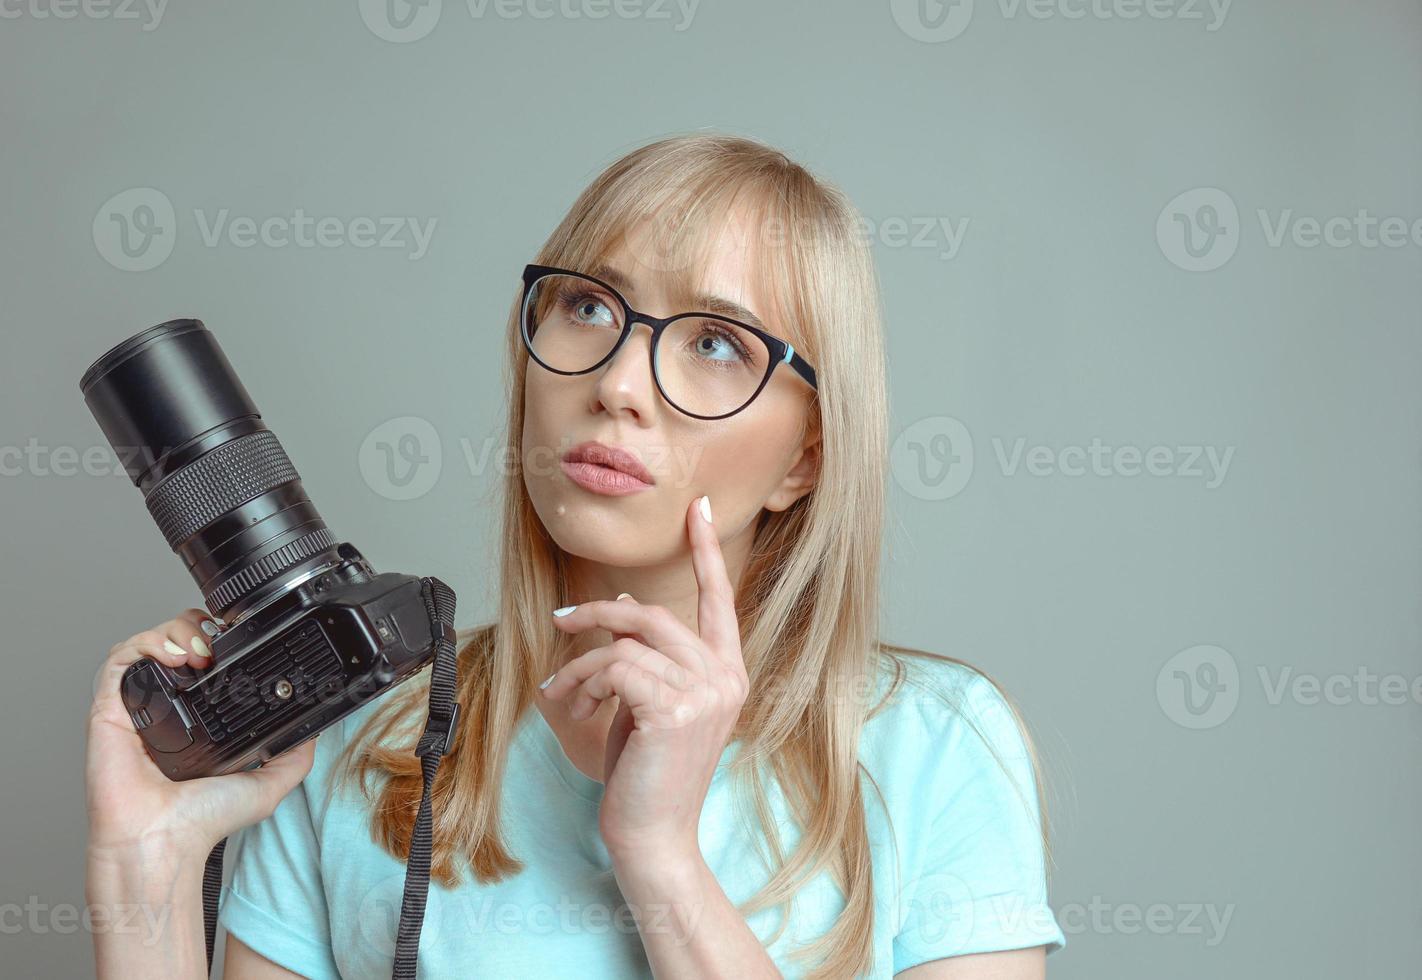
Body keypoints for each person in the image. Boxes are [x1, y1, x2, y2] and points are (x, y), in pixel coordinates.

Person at [86, 132, 1066, 978]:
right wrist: (147, 866)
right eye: (591, 307)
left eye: (717, 342)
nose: (619, 382)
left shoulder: (936, 750)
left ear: (804, 459)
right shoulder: (353, 742)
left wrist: (660, 852)